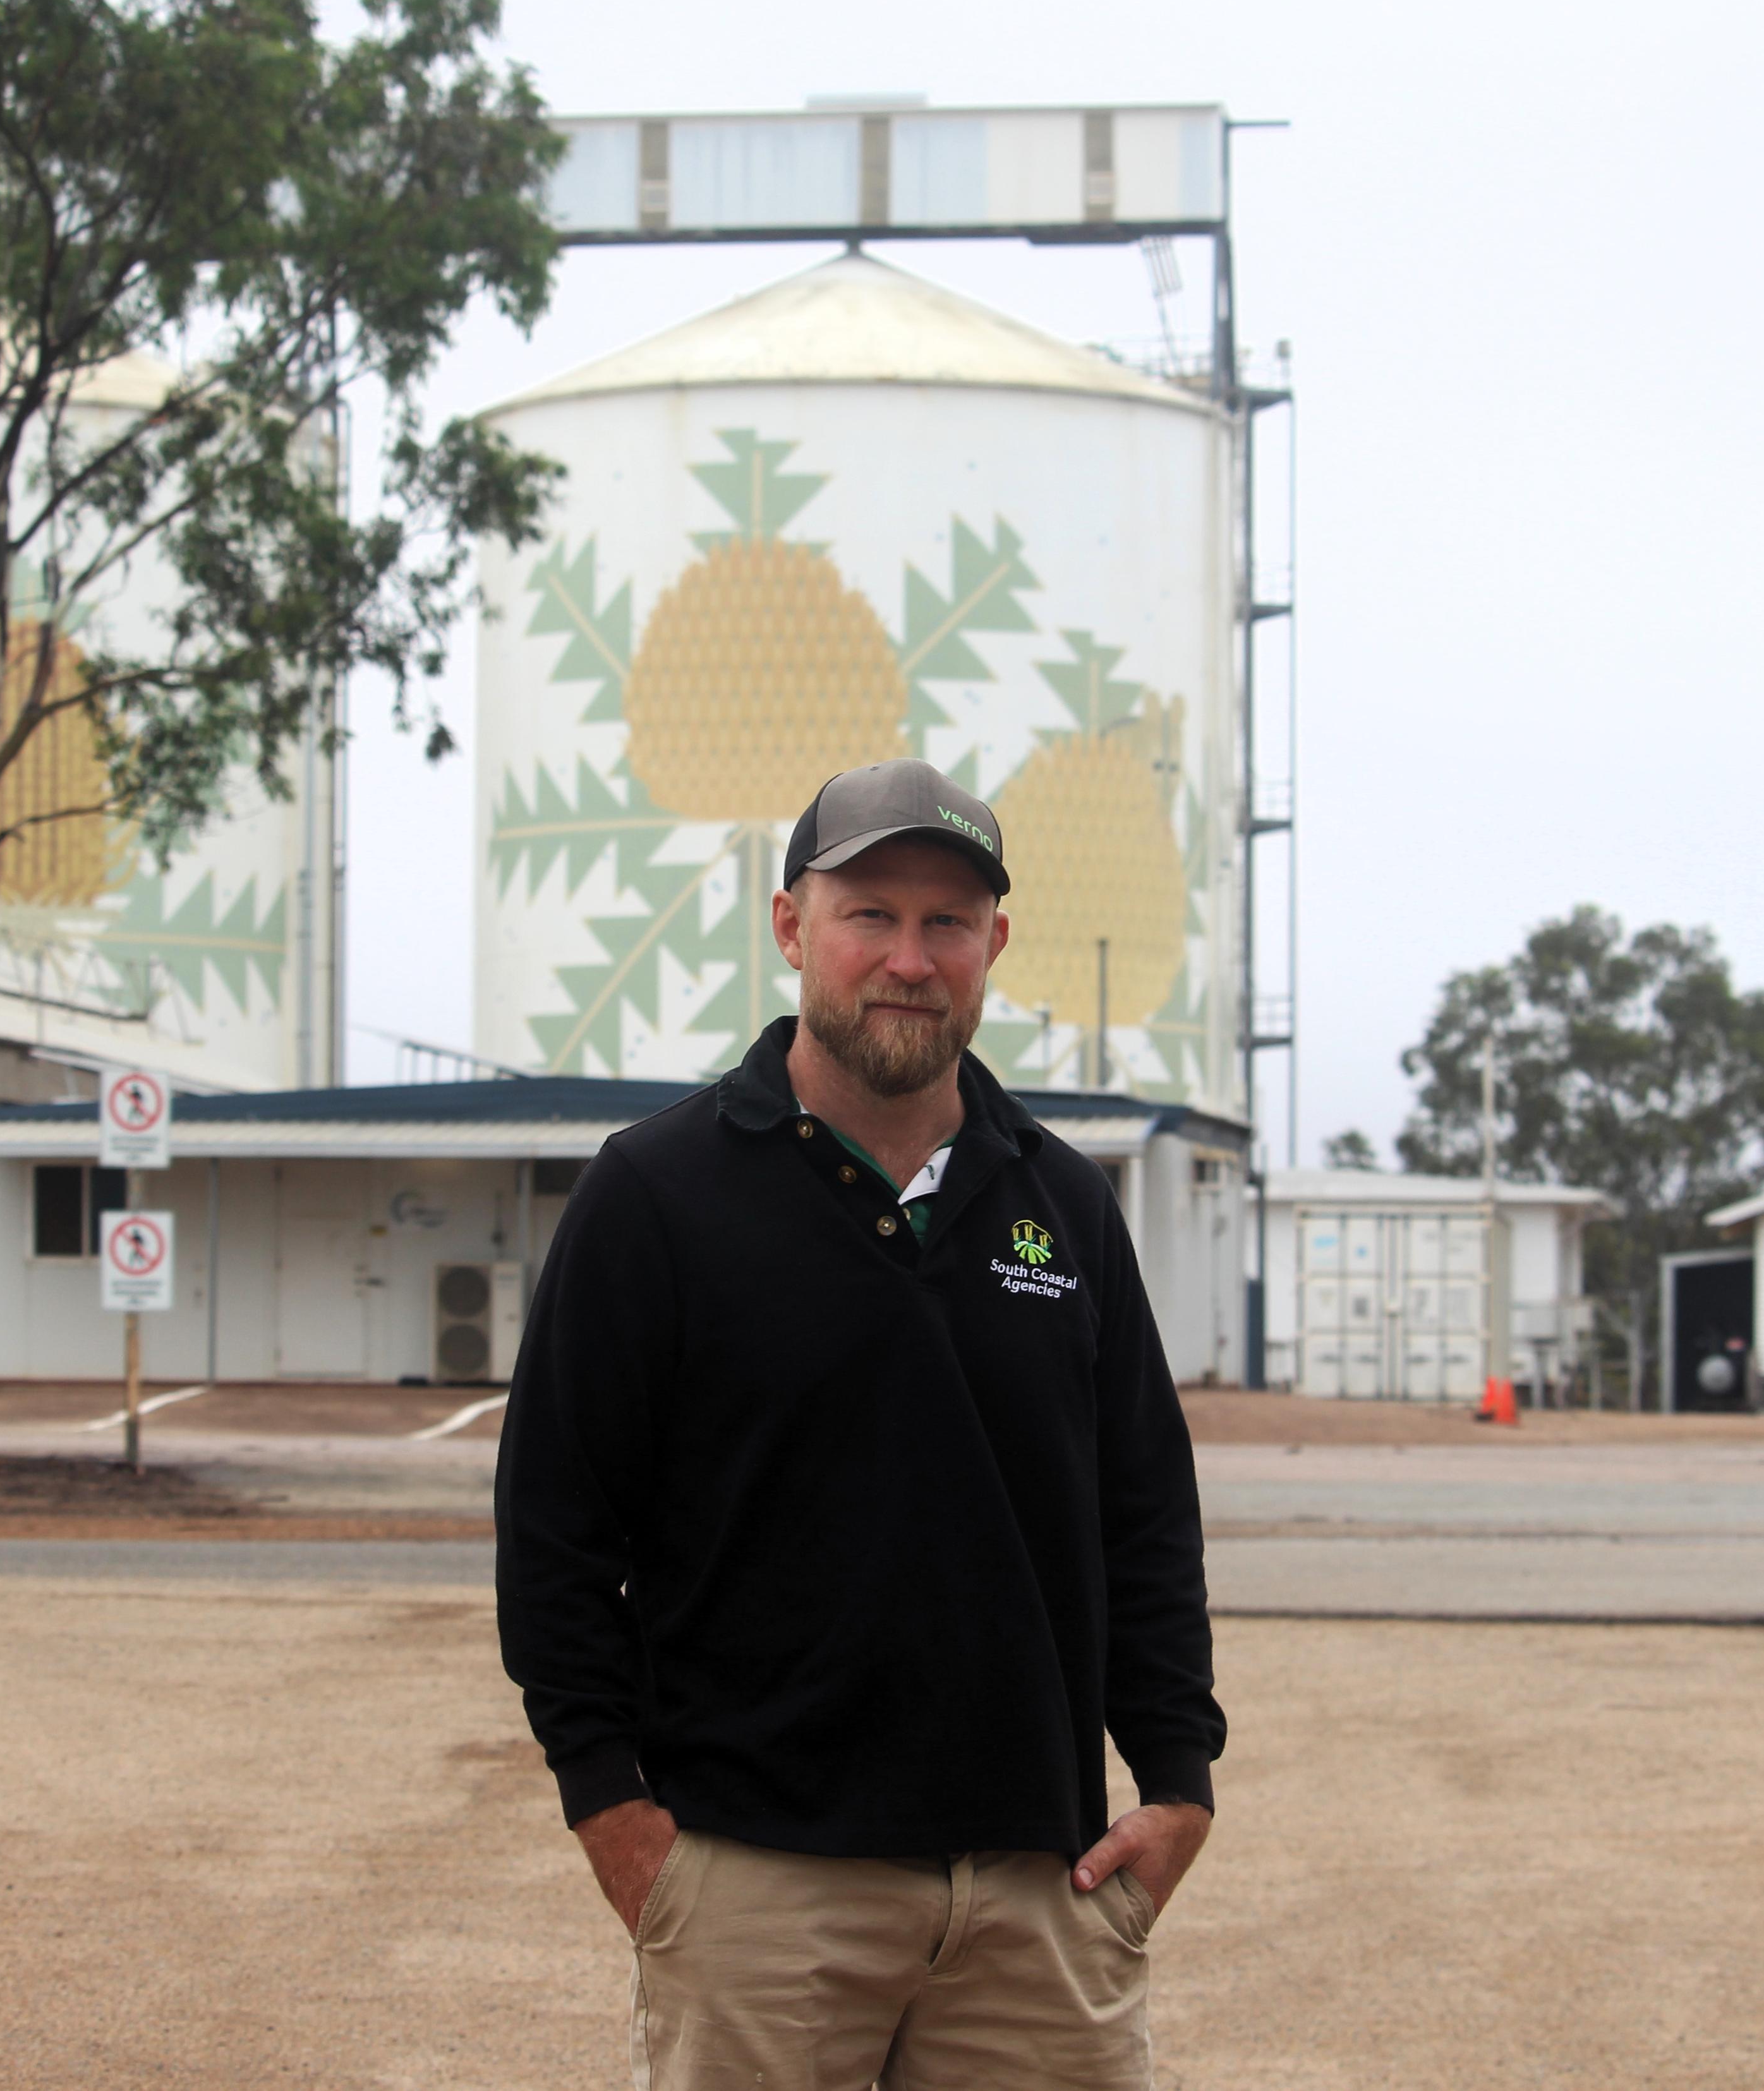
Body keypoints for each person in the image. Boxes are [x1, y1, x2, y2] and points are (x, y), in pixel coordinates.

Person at [495, 758, 1225, 2091]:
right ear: (790, 926)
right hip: (758, 1891)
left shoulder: (1060, 1202)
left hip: (1035, 1891)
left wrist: (1177, 1777)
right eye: (868, 913)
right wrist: (615, 1812)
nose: (908, 956)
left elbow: (1142, 1514)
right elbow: (553, 1531)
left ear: (993, 944)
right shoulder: (654, 1195)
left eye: (947, 921)